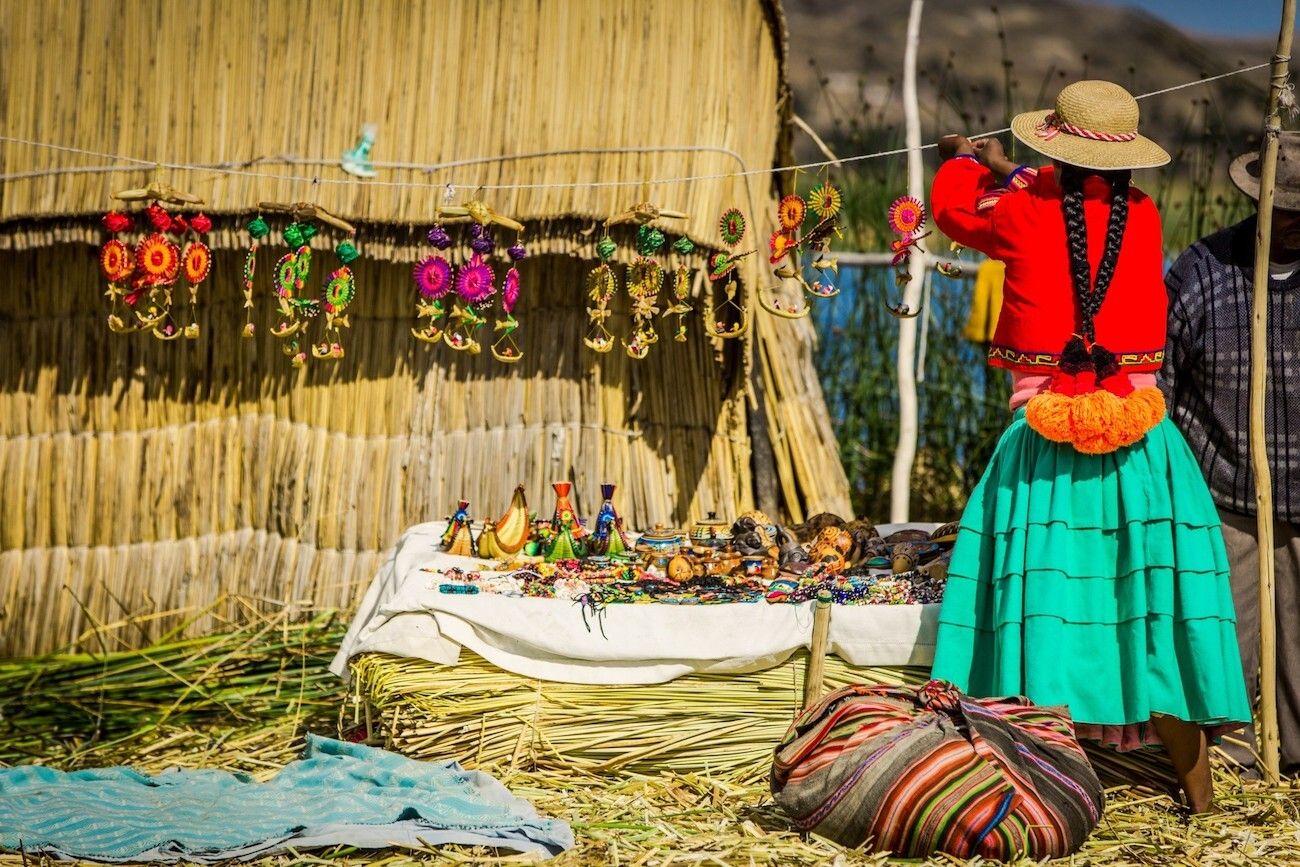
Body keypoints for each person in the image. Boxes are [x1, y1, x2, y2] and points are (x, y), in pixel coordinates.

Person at [927, 79, 1251, 814]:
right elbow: (1071, 217)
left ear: (1056, 150)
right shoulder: (1142, 214)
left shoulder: (1019, 209)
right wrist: (1015, 171)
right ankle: (1200, 800)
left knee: (1046, 599)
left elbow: (953, 211)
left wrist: (961, 160)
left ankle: (1035, 797)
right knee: (1150, 610)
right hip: (1144, 450)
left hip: (1047, 450)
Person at [1162, 132, 1300, 778]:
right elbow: (1161, 382)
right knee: (1225, 645)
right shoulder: (1203, 268)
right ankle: (1234, 767)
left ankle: (1292, 765)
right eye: (1283, 206)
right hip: (1222, 494)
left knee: (1298, 654)